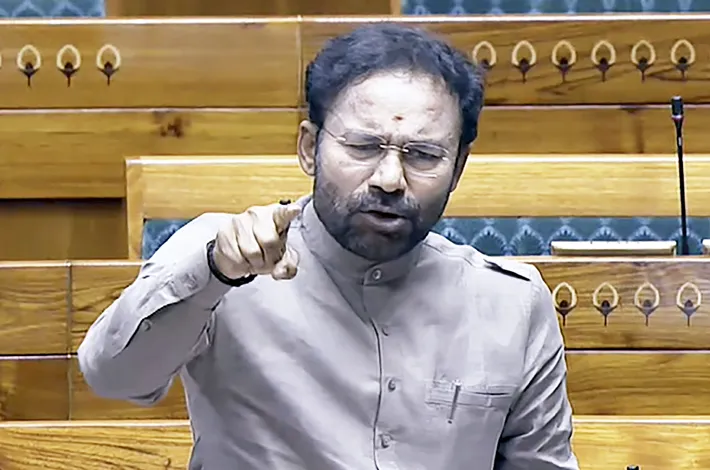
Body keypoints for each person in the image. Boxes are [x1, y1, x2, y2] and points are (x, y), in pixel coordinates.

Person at [78, 23, 579, 470]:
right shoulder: (221, 256)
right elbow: (113, 377)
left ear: (458, 168)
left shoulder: (513, 302)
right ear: (309, 148)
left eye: (423, 155)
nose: (389, 179)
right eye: (362, 147)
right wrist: (214, 272)